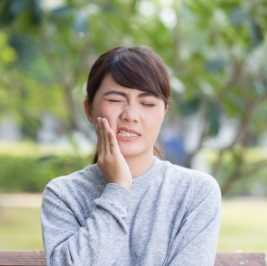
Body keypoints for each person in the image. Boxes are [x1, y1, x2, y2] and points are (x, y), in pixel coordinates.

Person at [41, 46, 221, 266]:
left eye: (147, 103)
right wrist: (118, 189)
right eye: (116, 100)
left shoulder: (196, 192)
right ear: (89, 110)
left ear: (163, 112)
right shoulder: (63, 195)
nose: (131, 115)